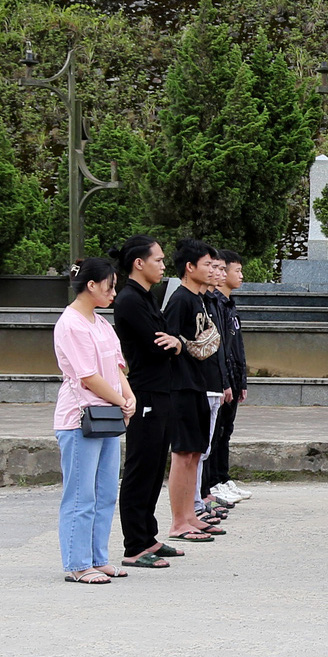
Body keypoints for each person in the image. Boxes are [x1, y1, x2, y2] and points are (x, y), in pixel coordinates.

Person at [55, 258, 133, 583]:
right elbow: (87, 376)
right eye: (109, 286)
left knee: (105, 493)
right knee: (80, 495)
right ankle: (77, 564)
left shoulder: (101, 323)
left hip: (107, 417)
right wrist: (122, 401)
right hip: (79, 419)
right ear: (91, 285)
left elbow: (116, 368)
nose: (113, 292)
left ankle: (97, 558)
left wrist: (129, 397)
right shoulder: (71, 324)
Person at [111, 236, 184, 568]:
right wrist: (174, 343)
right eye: (158, 259)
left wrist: (176, 342)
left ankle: (148, 536)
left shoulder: (147, 298)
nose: (163, 265)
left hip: (162, 390)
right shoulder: (129, 300)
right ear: (138, 263)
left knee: (156, 468)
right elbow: (158, 345)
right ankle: (134, 545)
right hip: (145, 393)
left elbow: (171, 338)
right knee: (141, 468)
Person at [162, 239, 228, 545]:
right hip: (182, 385)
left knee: (194, 453)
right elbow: (170, 341)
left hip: (199, 384)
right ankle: (178, 521)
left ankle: (191, 515)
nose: (213, 270)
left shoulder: (199, 299)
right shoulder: (180, 300)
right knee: (182, 453)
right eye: (206, 264)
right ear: (189, 268)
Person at [203, 251, 250, 507]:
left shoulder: (229, 306)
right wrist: (225, 382)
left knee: (225, 431)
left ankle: (222, 478)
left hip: (231, 377)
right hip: (220, 380)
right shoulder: (214, 305)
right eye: (236, 271)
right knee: (215, 434)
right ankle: (212, 483)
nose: (238, 276)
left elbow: (236, 348)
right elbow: (218, 348)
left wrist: (241, 380)